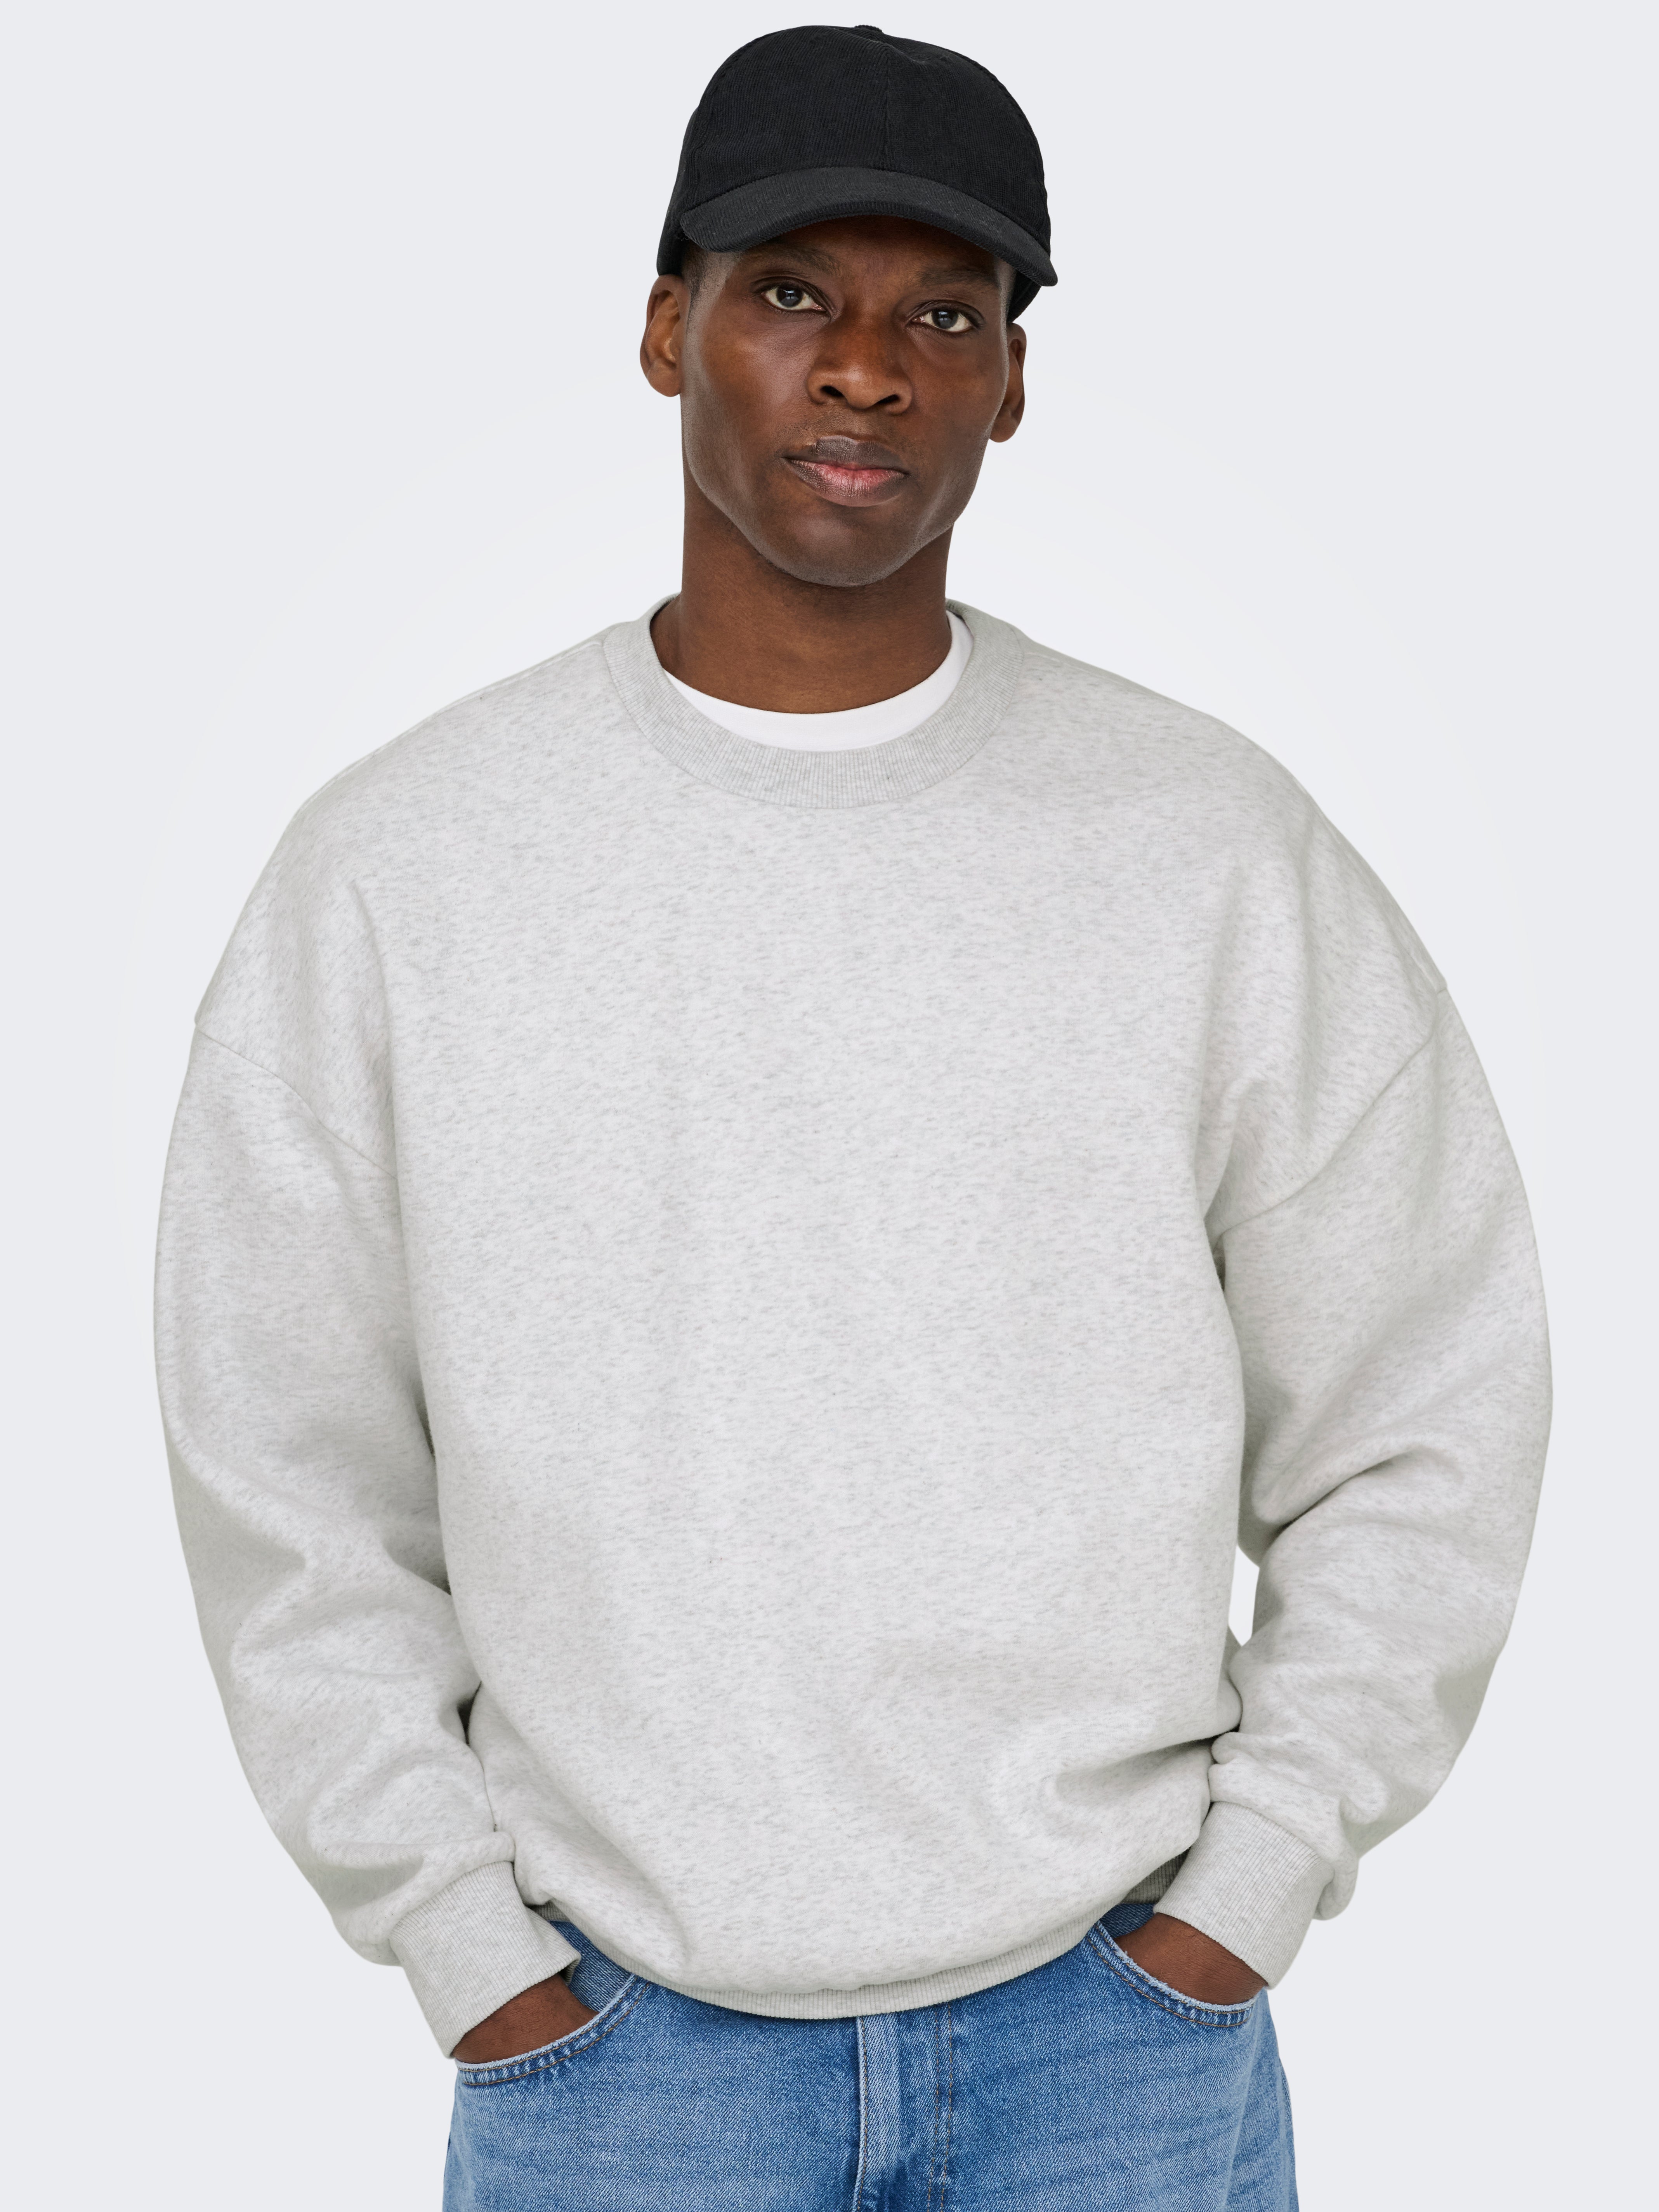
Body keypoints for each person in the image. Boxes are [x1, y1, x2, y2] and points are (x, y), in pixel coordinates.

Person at [156, 25, 1550, 2210]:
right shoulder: (403, 871)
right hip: (618, 2066)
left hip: (1115, 2045)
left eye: (946, 315)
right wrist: (466, 1947)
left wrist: (1244, 1894)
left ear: (1012, 383)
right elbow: (285, 1461)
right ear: (666, 330)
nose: (869, 368)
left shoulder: (1205, 850)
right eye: (793, 291)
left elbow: (1425, 1399)